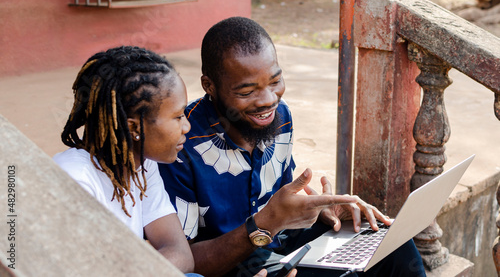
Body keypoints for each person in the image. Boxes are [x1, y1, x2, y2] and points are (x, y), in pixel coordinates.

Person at [158, 17, 426, 277]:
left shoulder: (280, 116)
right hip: (227, 262)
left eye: (275, 82)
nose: (267, 100)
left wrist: (318, 209)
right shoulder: (180, 145)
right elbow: (183, 264)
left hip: (279, 238)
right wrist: (266, 223)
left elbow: (282, 202)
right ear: (209, 86)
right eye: (246, 91)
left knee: (390, 242)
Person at [53, 46, 199, 275]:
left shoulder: (142, 165)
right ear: (133, 127)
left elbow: (178, 251)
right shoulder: (76, 181)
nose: (186, 126)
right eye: (178, 116)